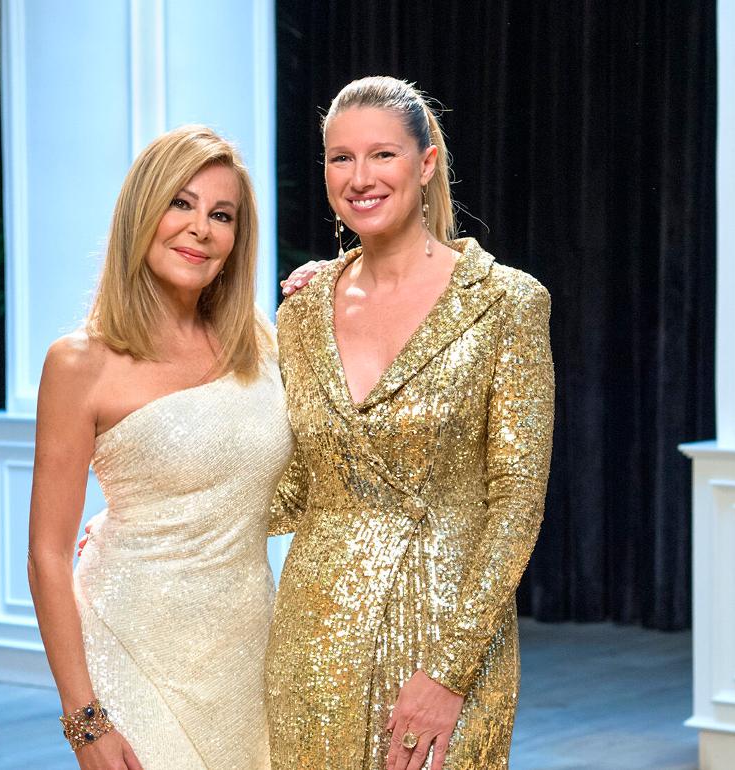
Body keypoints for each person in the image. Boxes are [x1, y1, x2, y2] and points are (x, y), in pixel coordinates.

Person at [265, 76, 556, 770]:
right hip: (314, 642)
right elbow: (297, 484)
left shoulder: (505, 303)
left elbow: (516, 500)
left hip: (449, 635)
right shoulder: (301, 313)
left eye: (382, 155)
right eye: (340, 158)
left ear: (425, 165)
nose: (360, 178)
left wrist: (450, 672)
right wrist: (162, 516)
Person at [27, 125, 291, 770]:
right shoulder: (79, 363)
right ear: (141, 212)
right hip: (132, 651)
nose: (201, 228)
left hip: (249, 653)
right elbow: (46, 555)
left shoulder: (261, 345)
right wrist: (85, 724)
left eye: (222, 214)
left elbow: (295, 477)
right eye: (181, 203)